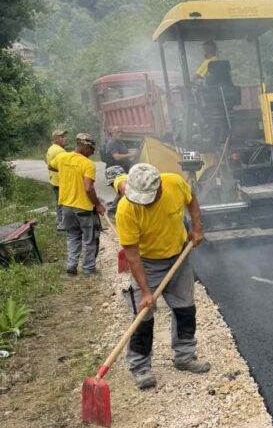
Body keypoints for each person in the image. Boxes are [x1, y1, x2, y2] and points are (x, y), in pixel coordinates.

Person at [116, 163, 209, 390]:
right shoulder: (127, 209)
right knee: (143, 316)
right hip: (147, 263)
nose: (142, 203)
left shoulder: (174, 183)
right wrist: (147, 292)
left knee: (185, 309)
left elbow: (192, 200)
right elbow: (132, 256)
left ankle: (184, 357)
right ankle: (140, 367)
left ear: (158, 188)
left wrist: (196, 227)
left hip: (178, 256)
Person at [53, 133, 105, 276]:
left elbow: (51, 165)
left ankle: (71, 266)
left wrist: (66, 171)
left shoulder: (62, 157)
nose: (93, 153)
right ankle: (88, 269)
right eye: (91, 149)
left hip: (66, 206)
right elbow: (88, 188)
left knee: (72, 235)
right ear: (85, 146)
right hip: (83, 207)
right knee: (89, 238)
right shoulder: (87, 164)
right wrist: (98, 204)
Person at [45, 129, 67, 231]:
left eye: (64, 136)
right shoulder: (59, 151)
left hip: (54, 180)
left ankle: (60, 223)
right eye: (61, 137)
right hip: (60, 181)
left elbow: (47, 162)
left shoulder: (51, 148)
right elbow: (66, 165)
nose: (64, 139)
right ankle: (62, 225)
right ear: (55, 139)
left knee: (59, 203)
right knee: (63, 203)